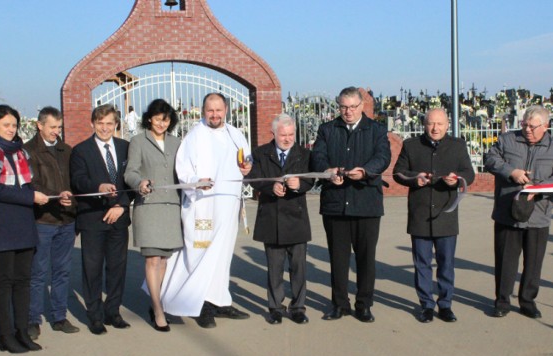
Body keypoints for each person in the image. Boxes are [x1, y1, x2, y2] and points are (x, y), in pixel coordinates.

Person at [160, 92, 251, 328]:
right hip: (203, 208)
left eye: (219, 110)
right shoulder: (194, 137)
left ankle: (219, 300)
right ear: (203, 111)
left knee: (222, 255)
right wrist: (196, 181)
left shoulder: (235, 134)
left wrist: (247, 167)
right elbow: (183, 170)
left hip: (227, 207)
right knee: (201, 253)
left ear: (226, 110)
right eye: (210, 110)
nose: (214, 115)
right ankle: (198, 304)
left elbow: (246, 161)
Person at [311, 86, 391, 322]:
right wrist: (328, 171)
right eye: (343, 107)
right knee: (338, 258)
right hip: (335, 204)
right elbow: (318, 155)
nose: (348, 112)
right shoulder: (327, 129)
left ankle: (364, 304)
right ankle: (339, 304)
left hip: (366, 202)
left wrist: (366, 171)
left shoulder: (376, 129)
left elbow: (383, 157)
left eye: (352, 107)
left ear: (362, 106)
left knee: (366, 258)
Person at [0, 105, 49, 353]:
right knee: (4, 282)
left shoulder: (20, 152)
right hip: (2, 225)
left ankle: (22, 331)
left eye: (14, 125)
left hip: (24, 223)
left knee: (23, 282)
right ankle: (5, 336)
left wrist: (44, 196)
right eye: (6, 125)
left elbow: (29, 184)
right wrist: (30, 198)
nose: (11, 129)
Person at [484, 105, 553, 319]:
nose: (527, 130)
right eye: (524, 125)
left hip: (538, 214)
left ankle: (527, 301)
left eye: (532, 126)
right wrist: (511, 172)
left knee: (533, 262)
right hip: (507, 212)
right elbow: (491, 160)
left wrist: (537, 189)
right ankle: (502, 301)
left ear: (545, 126)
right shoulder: (507, 140)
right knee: (505, 260)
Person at [393, 108, 475, 323]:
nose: (435, 128)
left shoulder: (457, 146)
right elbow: (398, 172)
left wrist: (457, 179)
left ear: (447, 124)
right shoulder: (411, 145)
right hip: (420, 214)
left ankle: (445, 305)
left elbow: (470, 174)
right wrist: (414, 178)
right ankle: (426, 305)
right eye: (431, 123)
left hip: (446, 214)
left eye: (439, 124)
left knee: (446, 263)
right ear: (424, 124)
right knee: (422, 263)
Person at [70, 104, 132, 335]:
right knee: (92, 269)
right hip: (93, 219)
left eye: (109, 123)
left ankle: (113, 311)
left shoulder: (126, 147)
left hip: (119, 218)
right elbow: (78, 181)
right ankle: (94, 316)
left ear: (116, 124)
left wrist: (122, 206)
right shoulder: (81, 150)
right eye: (100, 123)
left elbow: (132, 181)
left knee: (117, 268)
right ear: (92, 124)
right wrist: (98, 187)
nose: (105, 128)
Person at [247, 114, 313, 325]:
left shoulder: (304, 154)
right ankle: (275, 307)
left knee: (298, 267)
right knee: (274, 267)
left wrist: (300, 185)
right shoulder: (260, 154)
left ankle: (298, 307)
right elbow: (252, 177)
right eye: (283, 135)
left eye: (291, 134)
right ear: (273, 133)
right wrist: (270, 187)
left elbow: (312, 178)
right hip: (271, 216)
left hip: (296, 217)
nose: (287, 139)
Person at [124, 99, 182, 332]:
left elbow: (186, 170)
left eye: (165, 119)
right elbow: (131, 172)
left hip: (170, 207)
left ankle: (155, 300)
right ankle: (158, 309)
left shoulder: (177, 143)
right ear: (149, 118)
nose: (161, 123)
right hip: (148, 206)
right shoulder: (138, 141)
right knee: (152, 259)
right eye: (157, 118)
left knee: (164, 259)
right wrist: (140, 183)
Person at [24, 107, 79, 339]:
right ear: (39, 125)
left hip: (66, 221)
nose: (57, 132)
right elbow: (31, 184)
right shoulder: (28, 151)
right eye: (52, 127)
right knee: (37, 273)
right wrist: (58, 195)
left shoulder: (66, 150)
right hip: (42, 220)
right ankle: (33, 319)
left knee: (62, 272)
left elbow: (75, 181)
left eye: (59, 127)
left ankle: (59, 316)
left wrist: (72, 202)